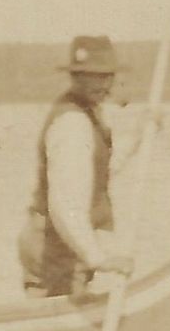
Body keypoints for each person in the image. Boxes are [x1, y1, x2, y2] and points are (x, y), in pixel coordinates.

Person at [21, 34, 151, 299]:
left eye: (106, 76)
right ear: (75, 77)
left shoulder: (89, 114)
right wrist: (98, 258)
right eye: (90, 76)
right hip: (54, 250)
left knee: (69, 304)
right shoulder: (72, 124)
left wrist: (140, 134)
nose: (100, 83)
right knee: (57, 310)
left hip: (63, 248)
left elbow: (99, 171)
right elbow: (65, 205)